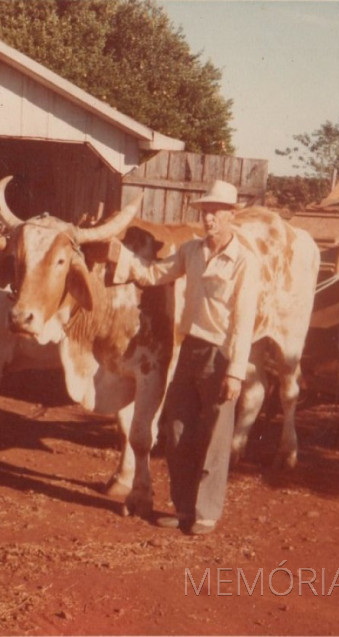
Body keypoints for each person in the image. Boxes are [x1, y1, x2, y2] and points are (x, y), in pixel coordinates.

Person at [107, 179, 261, 535]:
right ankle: (183, 508)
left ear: (231, 216)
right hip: (189, 347)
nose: (209, 220)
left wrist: (236, 372)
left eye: (217, 214)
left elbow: (244, 319)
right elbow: (155, 274)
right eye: (206, 213)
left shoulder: (244, 263)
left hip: (221, 354)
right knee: (175, 427)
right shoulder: (191, 251)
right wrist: (123, 260)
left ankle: (206, 512)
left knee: (213, 435)